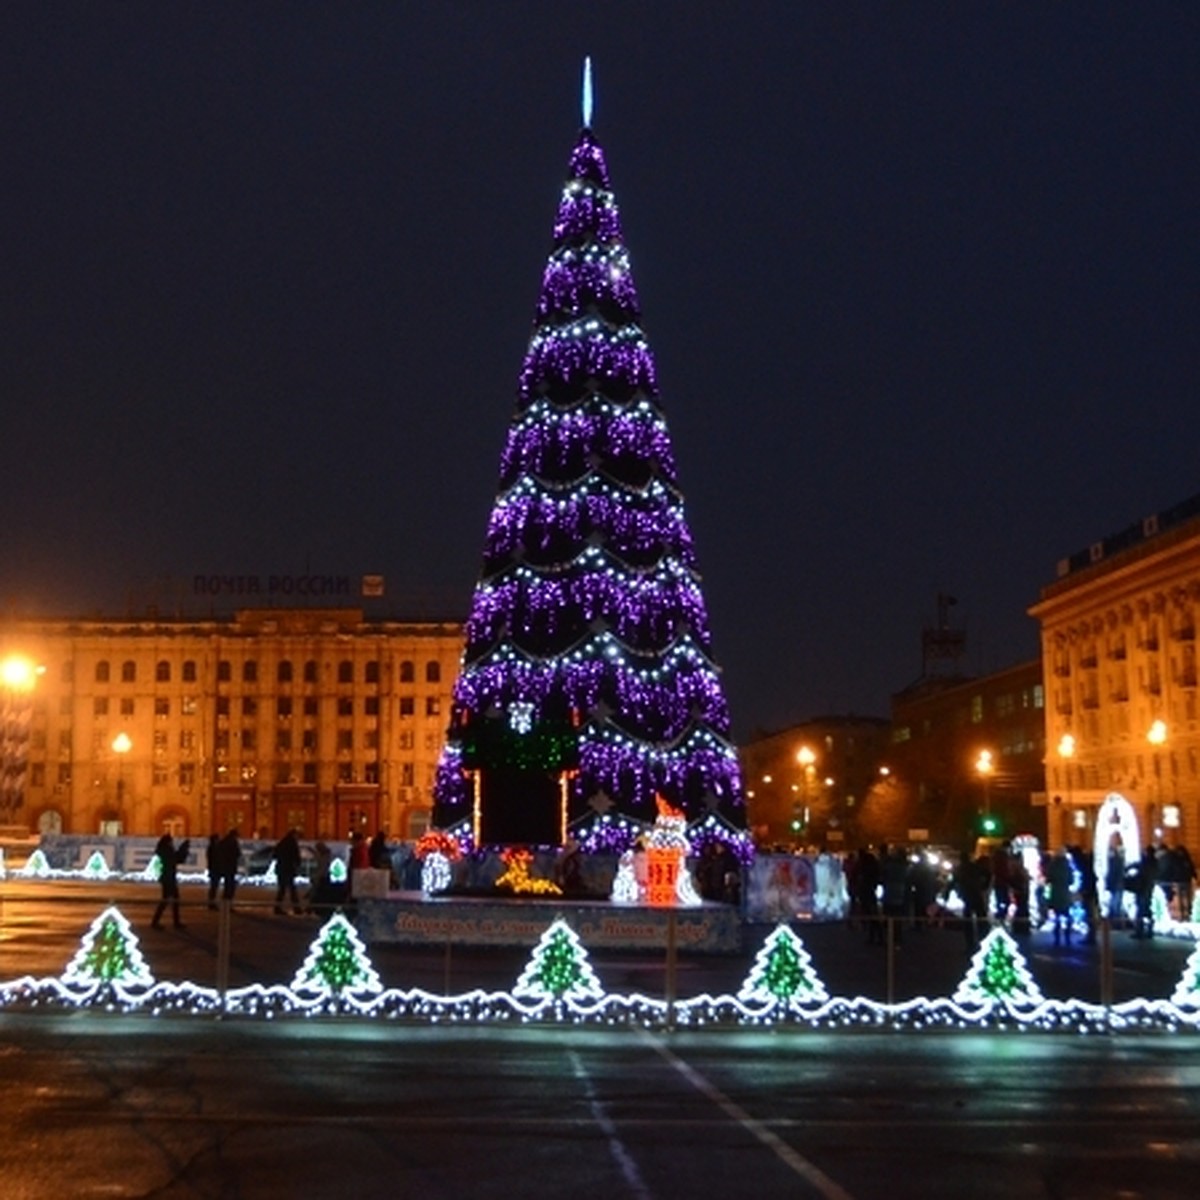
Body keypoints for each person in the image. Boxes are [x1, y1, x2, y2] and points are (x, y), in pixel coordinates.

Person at [151, 832, 190, 929]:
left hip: (167, 877)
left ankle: (160, 921)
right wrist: (183, 849)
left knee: (168, 900)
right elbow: (176, 859)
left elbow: (175, 859)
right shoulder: (167, 850)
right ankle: (170, 922)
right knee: (171, 900)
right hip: (169, 878)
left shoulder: (164, 850)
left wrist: (183, 849)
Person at [1047, 847, 1074, 946]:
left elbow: (1049, 878)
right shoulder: (1068, 866)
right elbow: (1071, 881)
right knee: (1067, 916)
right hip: (1065, 894)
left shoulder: (1052, 865)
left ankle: (1057, 938)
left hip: (1055, 893)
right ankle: (1067, 937)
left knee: (1056, 917)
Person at [272, 828, 303, 915]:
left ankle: (277, 908)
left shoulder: (282, 843)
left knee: (282, 889)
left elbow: (274, 855)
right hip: (288, 869)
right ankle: (296, 908)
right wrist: (297, 863)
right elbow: (296, 856)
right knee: (292, 889)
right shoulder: (292, 843)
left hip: (281, 868)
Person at [1132, 845, 1158, 939]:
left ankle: (1140, 931)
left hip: (1142, 888)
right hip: (1149, 888)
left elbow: (1140, 871)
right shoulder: (1154, 862)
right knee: (1146, 910)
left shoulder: (1145, 862)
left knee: (1141, 910)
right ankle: (1149, 930)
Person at [217, 828, 240, 902]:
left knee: (227, 886)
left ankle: (225, 902)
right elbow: (237, 853)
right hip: (230, 867)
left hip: (225, 867)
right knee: (230, 887)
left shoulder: (223, 842)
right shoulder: (232, 842)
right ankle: (227, 903)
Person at [205, 832, 221, 910]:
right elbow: (213, 859)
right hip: (214, 869)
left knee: (214, 887)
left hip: (214, 869)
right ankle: (211, 903)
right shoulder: (212, 848)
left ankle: (211, 902)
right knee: (213, 887)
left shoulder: (213, 847)